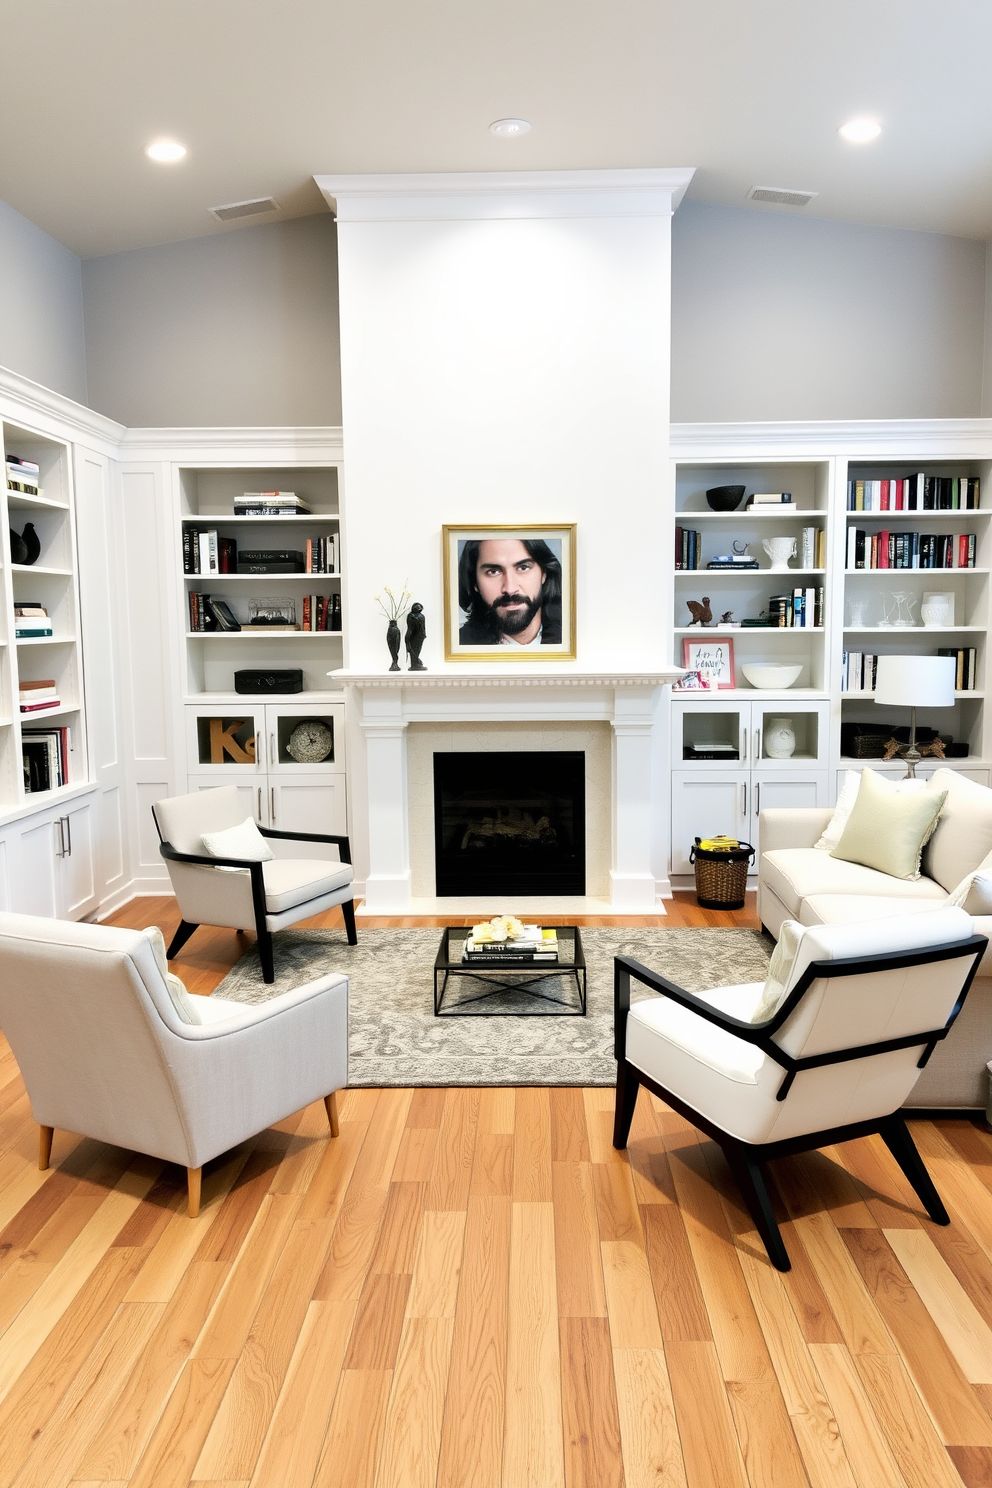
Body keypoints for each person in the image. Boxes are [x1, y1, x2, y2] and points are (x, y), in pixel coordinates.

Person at [457, 537, 562, 646]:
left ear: (544, 574)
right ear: (474, 583)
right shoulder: (457, 646)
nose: (510, 589)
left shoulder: (575, 637)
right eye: (493, 572)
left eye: (523, 568)